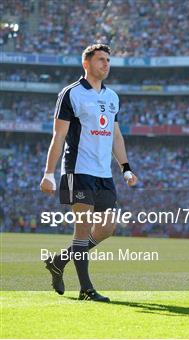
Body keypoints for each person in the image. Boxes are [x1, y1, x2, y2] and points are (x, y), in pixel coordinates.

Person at [40, 44, 138, 302]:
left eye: (108, 60)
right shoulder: (70, 94)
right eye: (100, 60)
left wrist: (125, 167)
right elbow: (58, 135)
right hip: (77, 170)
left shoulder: (112, 97)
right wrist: (49, 172)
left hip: (103, 174)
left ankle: (59, 261)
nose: (106, 64)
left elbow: (115, 135)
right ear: (86, 64)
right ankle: (85, 289)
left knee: (107, 228)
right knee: (82, 229)